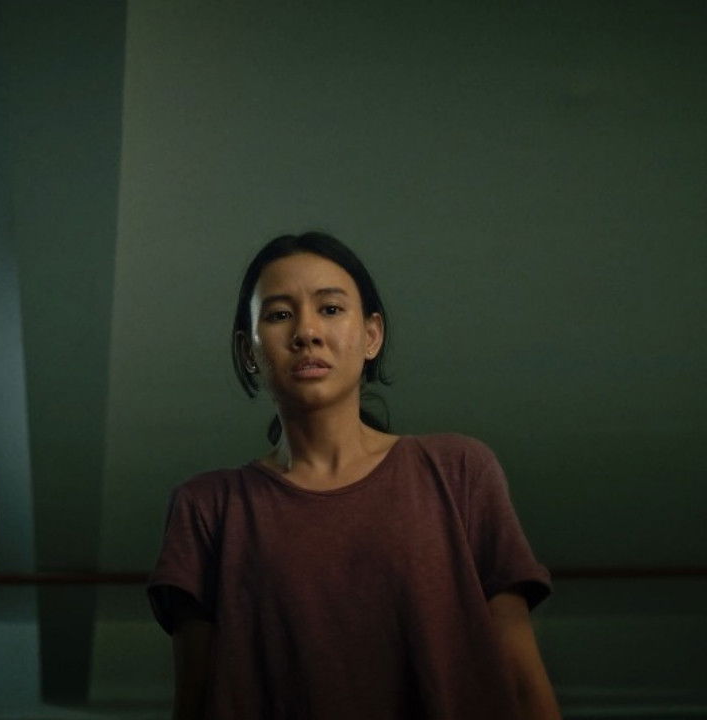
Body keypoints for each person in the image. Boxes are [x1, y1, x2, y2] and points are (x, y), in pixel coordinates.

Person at [148, 232, 559, 719]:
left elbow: (522, 679)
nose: (307, 332)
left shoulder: (458, 471)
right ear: (248, 351)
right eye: (279, 315)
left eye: (330, 309)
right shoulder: (208, 508)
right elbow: (194, 703)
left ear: (371, 335)